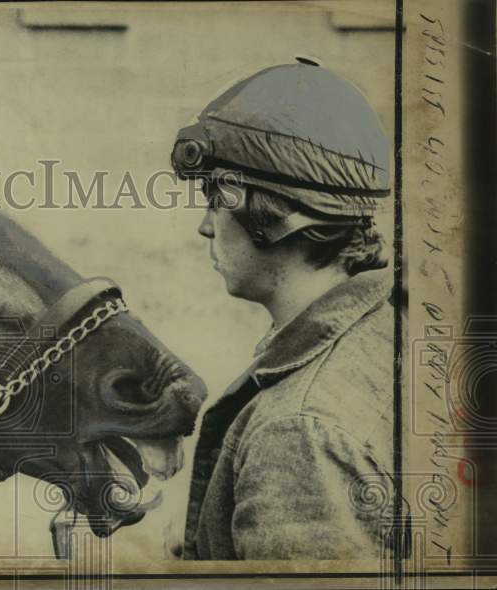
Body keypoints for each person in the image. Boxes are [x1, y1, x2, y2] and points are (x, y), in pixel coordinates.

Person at [171, 59, 397, 560]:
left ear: (270, 215)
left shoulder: (297, 432)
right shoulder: (390, 328)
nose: (206, 227)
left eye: (215, 198)